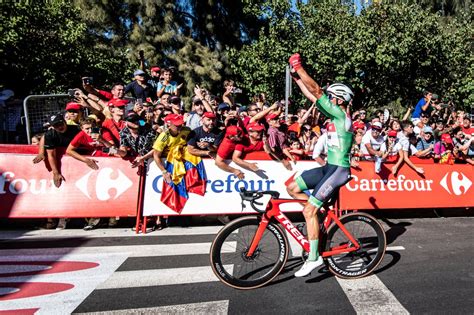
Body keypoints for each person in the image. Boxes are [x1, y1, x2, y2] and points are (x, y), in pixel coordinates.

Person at [286, 53, 354, 277]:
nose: (328, 98)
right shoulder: (334, 113)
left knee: (308, 210)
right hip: (328, 167)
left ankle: (313, 257)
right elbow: (313, 96)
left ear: (340, 100)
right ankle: (316, 213)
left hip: (338, 171)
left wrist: (299, 66)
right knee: (292, 188)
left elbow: (316, 91)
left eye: (332, 96)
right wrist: (296, 78)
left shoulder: (341, 114)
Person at [43, 113, 80, 230]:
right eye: (56, 125)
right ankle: (59, 219)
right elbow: (51, 154)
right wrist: (55, 172)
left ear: (64, 121)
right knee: (60, 189)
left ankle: (84, 219)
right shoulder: (50, 134)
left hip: (77, 162)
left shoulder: (76, 129)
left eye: (60, 123)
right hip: (61, 163)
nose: (60, 127)